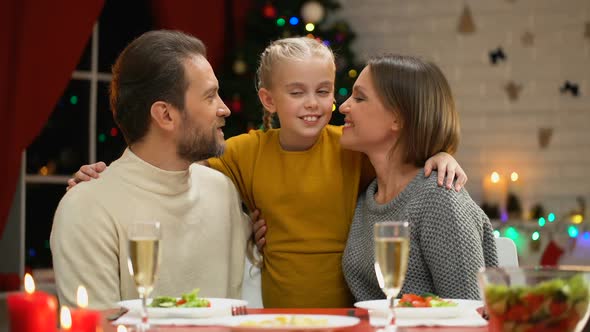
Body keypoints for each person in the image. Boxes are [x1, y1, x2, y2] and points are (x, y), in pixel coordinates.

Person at [67, 37, 467, 308]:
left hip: (347, 319)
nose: (334, 106)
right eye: (297, 92)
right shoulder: (241, 157)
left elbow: (407, 156)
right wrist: (107, 178)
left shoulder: (354, 152)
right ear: (269, 100)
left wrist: (442, 154)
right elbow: (163, 167)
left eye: (329, 92)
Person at [50, 30, 250, 309]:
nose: (225, 109)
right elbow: (96, 326)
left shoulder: (221, 190)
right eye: (210, 96)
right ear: (165, 115)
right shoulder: (87, 208)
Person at [340, 54, 498, 301]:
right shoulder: (367, 195)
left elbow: (471, 312)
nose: (343, 106)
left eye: (360, 98)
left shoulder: (440, 199)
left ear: (398, 118)